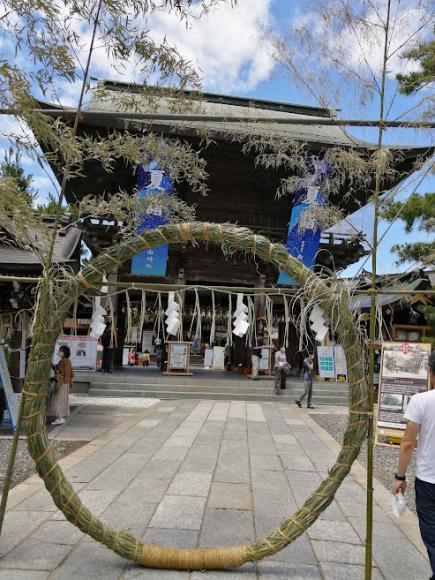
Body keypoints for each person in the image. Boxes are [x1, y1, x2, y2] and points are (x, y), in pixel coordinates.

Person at [392, 351, 435, 580]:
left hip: (429, 480)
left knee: (432, 534)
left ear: (431, 373)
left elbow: (408, 443)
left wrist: (400, 476)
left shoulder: (422, 400)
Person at [47, 345, 73, 426]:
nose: (60, 352)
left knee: (57, 401)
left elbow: (60, 372)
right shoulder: (68, 361)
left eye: (61, 351)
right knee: (62, 401)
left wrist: (54, 368)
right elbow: (71, 373)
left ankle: (60, 418)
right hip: (66, 383)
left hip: (61, 383)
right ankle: (60, 417)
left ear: (65, 352)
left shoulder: (63, 361)